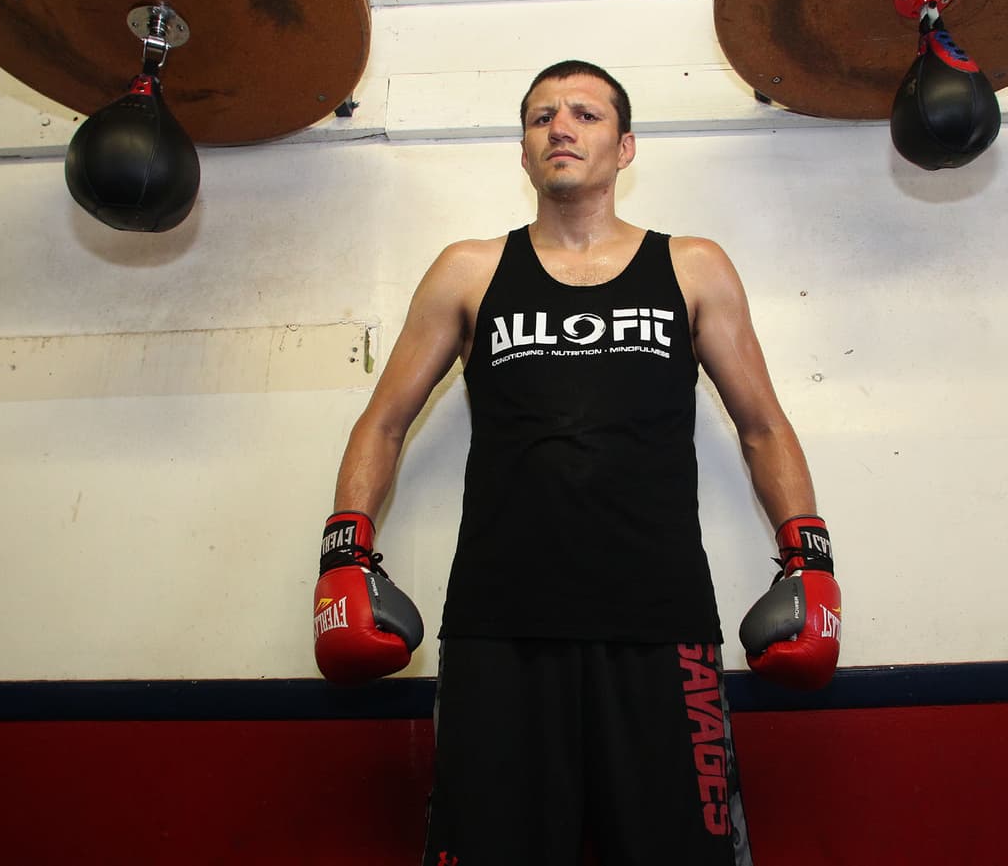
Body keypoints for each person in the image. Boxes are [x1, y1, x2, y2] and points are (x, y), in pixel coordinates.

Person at [311, 60, 842, 866]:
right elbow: (383, 423)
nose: (561, 127)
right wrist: (343, 556)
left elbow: (763, 425)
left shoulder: (693, 266)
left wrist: (810, 561)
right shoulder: (470, 269)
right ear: (524, 152)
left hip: (662, 625)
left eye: (586, 114)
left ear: (625, 147)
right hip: (501, 625)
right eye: (541, 117)